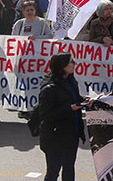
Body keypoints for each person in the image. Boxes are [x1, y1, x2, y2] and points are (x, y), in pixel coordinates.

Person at [38, 53, 89, 181]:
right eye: (71, 62)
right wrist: (70, 108)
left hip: (72, 134)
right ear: (63, 66)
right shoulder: (49, 88)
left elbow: (74, 98)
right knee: (53, 172)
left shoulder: (70, 81)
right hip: (55, 137)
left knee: (69, 168)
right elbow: (46, 114)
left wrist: (85, 101)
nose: (75, 64)